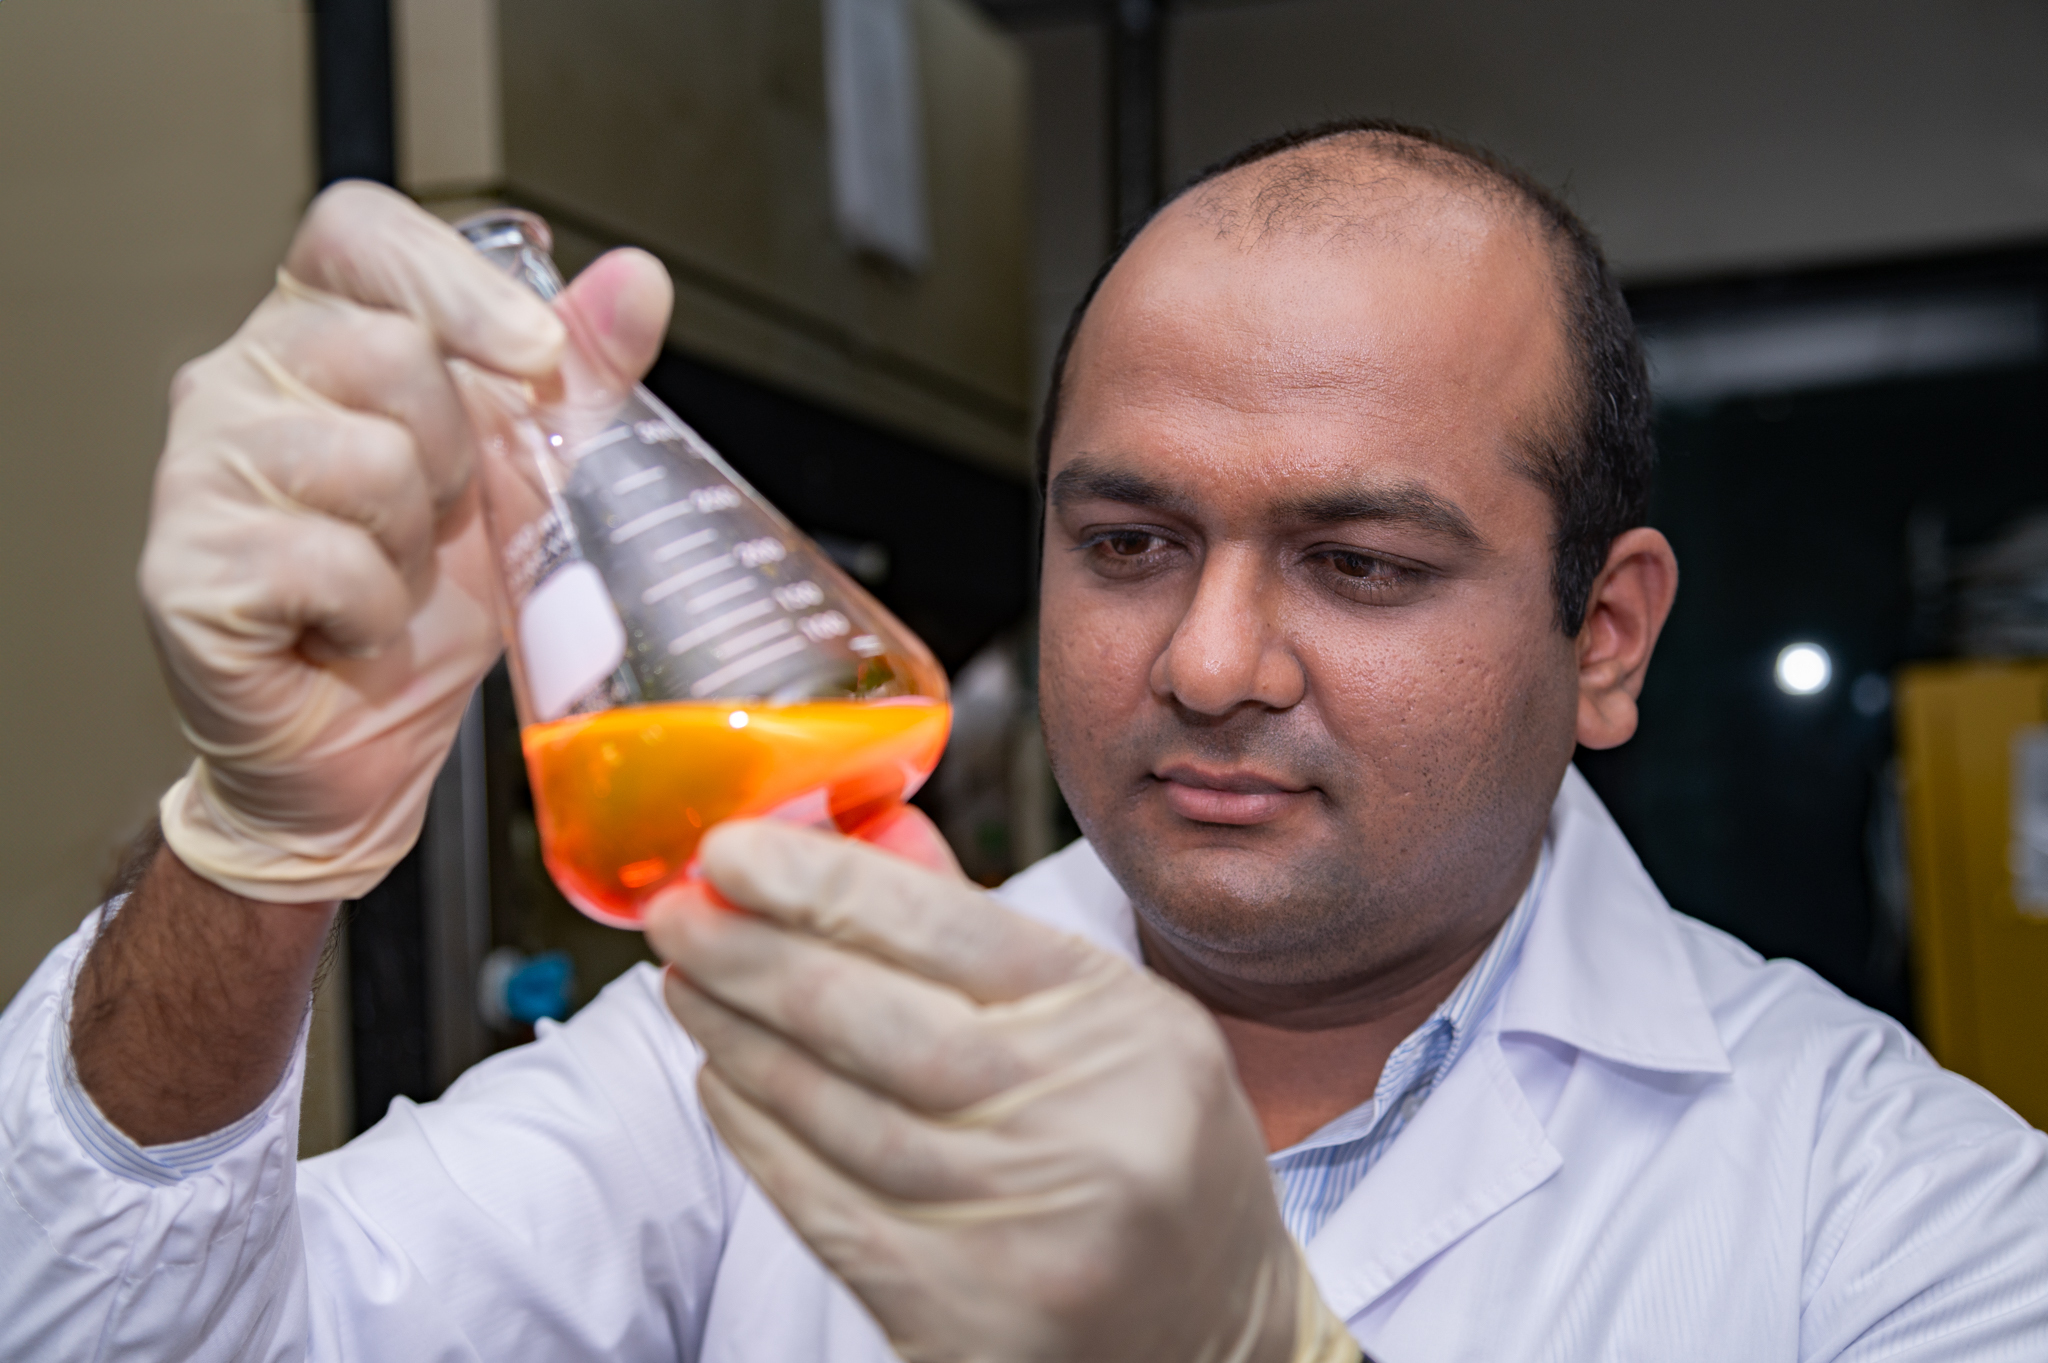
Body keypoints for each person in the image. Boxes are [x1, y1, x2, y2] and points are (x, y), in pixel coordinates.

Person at [3, 120, 2044, 1362]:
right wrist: (256, 841)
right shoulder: (756, 1047)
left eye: (1356, 563)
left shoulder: (1894, 1206)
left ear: (1602, 637)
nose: (1213, 658)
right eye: (1130, 542)